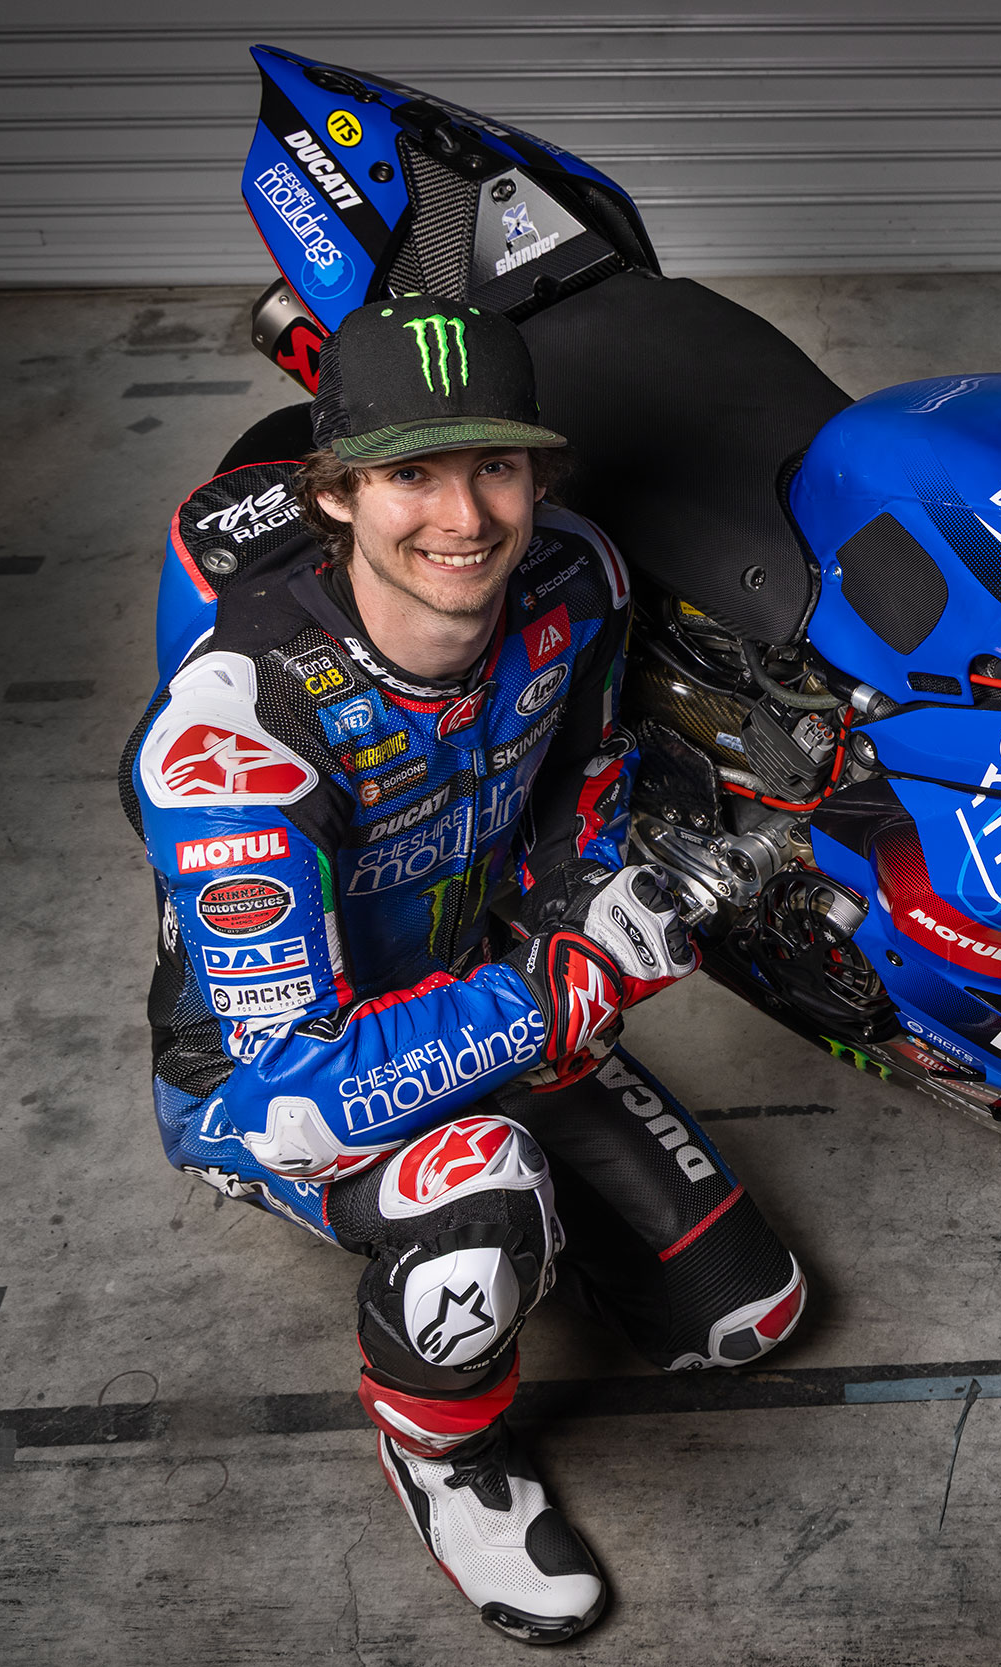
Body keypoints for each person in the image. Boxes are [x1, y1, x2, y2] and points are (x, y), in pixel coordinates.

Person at [123, 297, 807, 1644]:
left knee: (748, 1316)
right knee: (479, 1210)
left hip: (482, 985)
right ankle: (446, 1460)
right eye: (411, 476)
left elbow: (581, 789)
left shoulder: (576, 578)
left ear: (539, 474)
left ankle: (535, 1205)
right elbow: (293, 1088)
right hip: (263, 1082)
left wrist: (590, 900)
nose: (464, 517)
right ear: (336, 495)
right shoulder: (237, 735)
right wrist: (555, 993)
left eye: (495, 466)